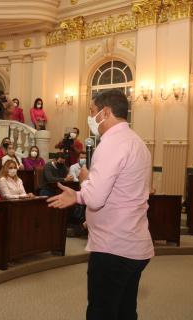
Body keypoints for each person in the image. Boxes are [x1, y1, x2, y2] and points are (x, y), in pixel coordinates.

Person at [47, 89, 154, 320]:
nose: (91, 118)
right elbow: (131, 193)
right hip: (134, 242)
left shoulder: (111, 143)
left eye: (93, 112)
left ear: (106, 112)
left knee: (102, 313)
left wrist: (80, 190)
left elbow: (95, 198)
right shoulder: (138, 143)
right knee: (125, 311)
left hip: (114, 247)